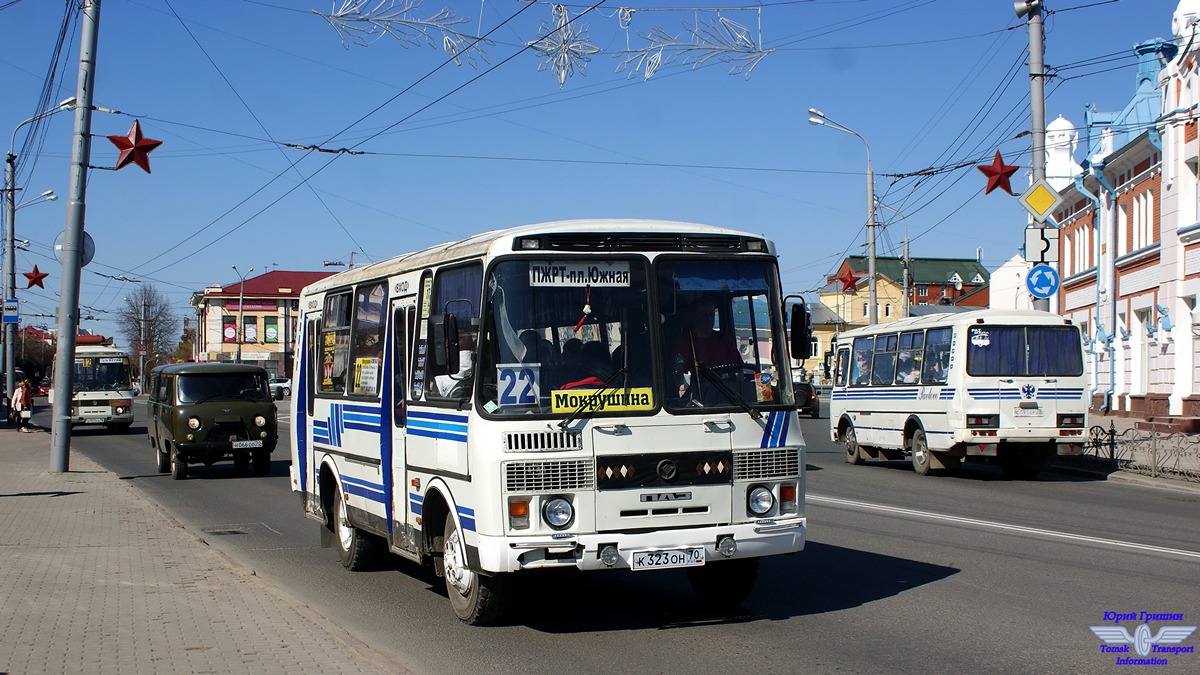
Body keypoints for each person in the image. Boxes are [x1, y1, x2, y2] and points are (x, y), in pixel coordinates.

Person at [669, 297, 742, 372]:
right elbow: (677, 374)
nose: (709, 319)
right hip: (695, 383)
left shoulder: (725, 340)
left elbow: (738, 369)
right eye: (704, 315)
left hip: (722, 383)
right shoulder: (683, 342)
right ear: (694, 316)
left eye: (711, 315)